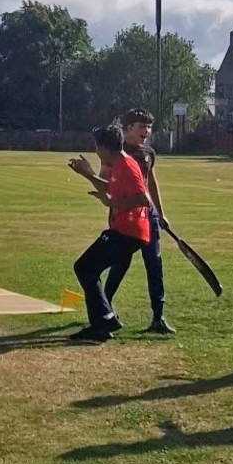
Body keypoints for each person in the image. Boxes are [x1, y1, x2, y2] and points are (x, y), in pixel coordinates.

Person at [67, 125, 152, 342]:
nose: (96, 151)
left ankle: (104, 320)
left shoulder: (127, 165)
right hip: (125, 230)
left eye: (97, 146)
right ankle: (102, 322)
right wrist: (87, 174)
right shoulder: (118, 164)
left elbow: (144, 199)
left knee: (84, 267)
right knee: (88, 269)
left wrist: (115, 203)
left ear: (104, 147)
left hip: (129, 231)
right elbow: (109, 189)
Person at [92, 109, 174, 334]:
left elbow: (151, 184)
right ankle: (104, 310)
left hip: (148, 216)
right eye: (141, 126)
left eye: (149, 127)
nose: (146, 131)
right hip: (124, 217)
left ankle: (158, 318)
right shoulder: (115, 151)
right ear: (127, 128)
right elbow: (105, 181)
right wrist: (93, 181)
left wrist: (160, 212)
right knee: (120, 264)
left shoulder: (148, 152)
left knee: (154, 264)